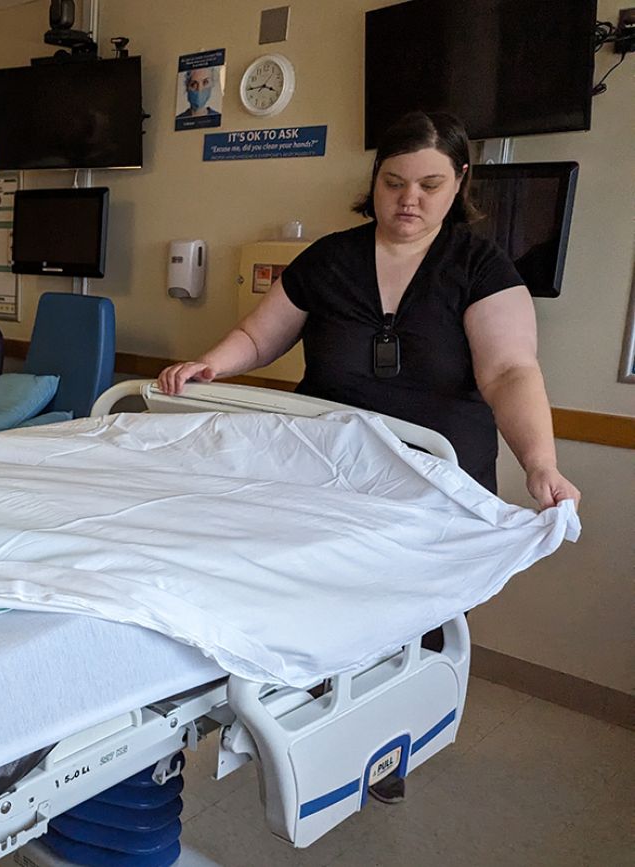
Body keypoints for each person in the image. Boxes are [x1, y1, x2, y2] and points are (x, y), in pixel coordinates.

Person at [157, 110, 581, 801]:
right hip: (328, 473)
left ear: (460, 183)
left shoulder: (479, 265)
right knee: (323, 601)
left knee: (412, 622)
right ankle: (305, 727)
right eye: (393, 182)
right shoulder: (330, 258)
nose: (408, 199)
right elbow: (260, 335)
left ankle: (388, 748)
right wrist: (212, 364)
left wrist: (540, 459)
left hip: (431, 477)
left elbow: (509, 371)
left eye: (429, 184)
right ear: (374, 181)